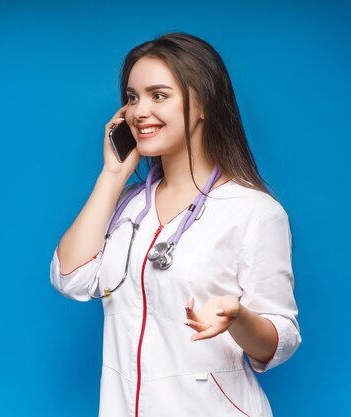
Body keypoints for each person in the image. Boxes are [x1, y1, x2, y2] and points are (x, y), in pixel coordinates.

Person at [49, 32, 301, 417]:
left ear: (202, 104)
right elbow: (70, 278)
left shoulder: (254, 211)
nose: (139, 111)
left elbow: (278, 342)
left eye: (158, 95)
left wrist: (239, 318)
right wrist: (113, 175)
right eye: (132, 98)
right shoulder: (126, 203)